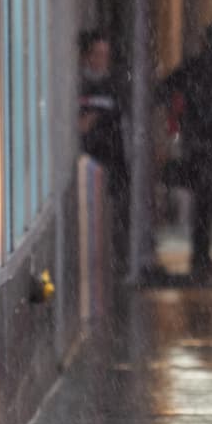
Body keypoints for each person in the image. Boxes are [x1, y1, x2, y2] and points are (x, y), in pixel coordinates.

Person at [157, 21, 212, 279]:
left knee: (204, 204)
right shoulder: (209, 68)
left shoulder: (194, 66)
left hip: (197, 144)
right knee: (206, 204)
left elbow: (165, 89)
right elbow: (211, 109)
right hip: (204, 146)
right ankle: (200, 259)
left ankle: (200, 258)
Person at [78, 30, 129, 269]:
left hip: (110, 166)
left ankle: (112, 263)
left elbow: (117, 123)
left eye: (105, 55)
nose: (102, 60)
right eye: (97, 54)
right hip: (86, 168)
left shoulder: (114, 86)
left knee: (111, 222)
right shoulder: (79, 86)